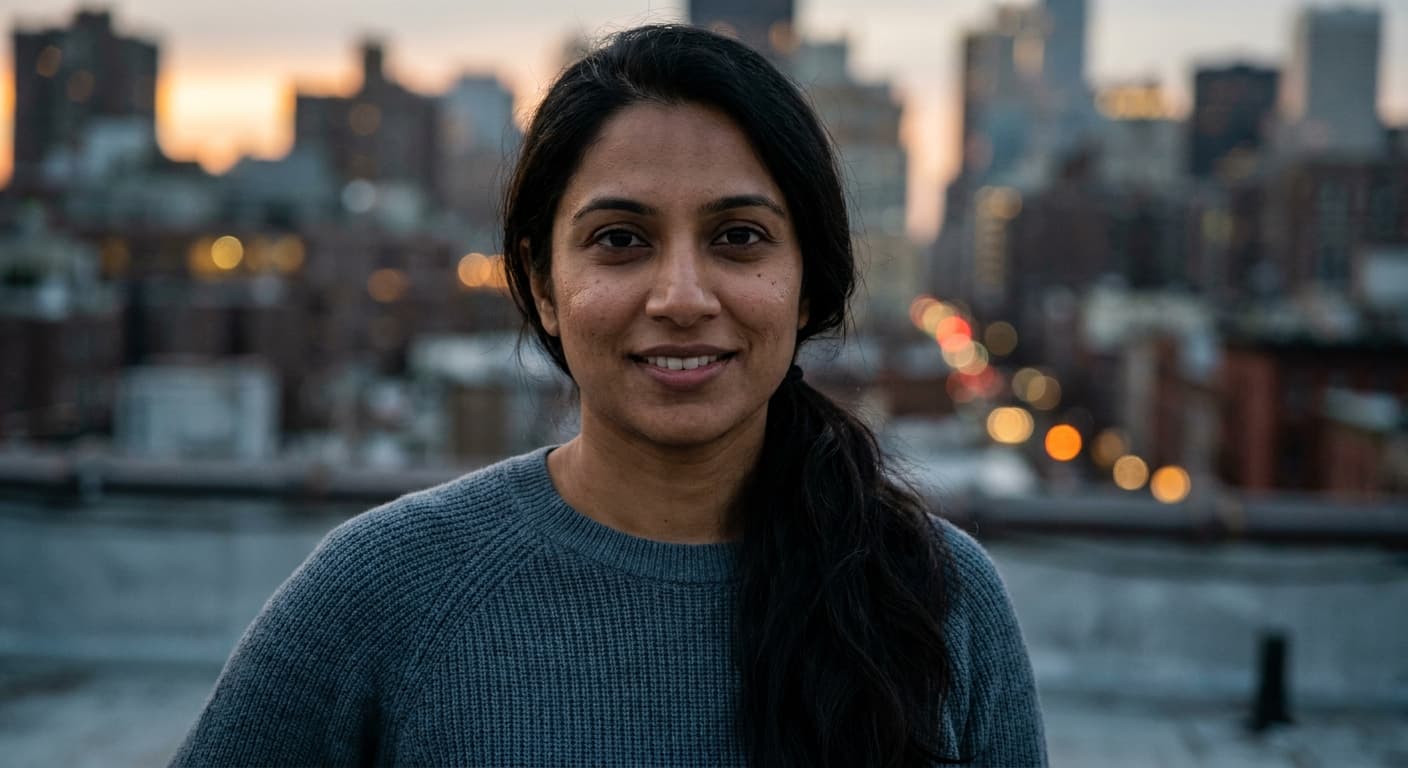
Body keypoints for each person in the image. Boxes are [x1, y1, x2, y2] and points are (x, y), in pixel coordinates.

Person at [172, 24, 1045, 767]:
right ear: (541, 285)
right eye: (620, 240)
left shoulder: (942, 601)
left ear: (809, 284)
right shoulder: (383, 592)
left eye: (739, 238)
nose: (681, 296)